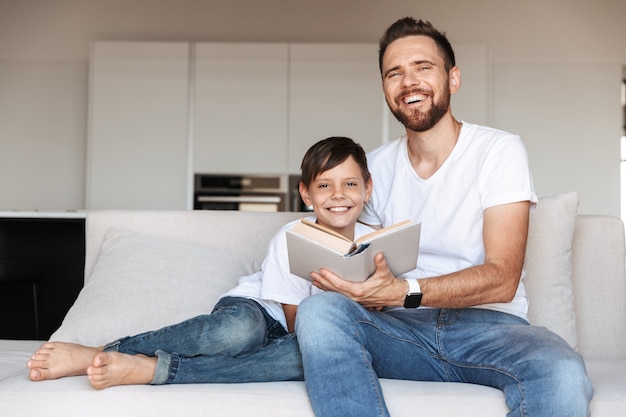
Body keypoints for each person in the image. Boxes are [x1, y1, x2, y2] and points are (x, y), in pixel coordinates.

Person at [293, 17, 594, 417]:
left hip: (490, 331)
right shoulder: (372, 170)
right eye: (394, 73)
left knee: (563, 371)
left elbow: (502, 277)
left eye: (423, 67)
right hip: (401, 333)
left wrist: (402, 291)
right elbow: (352, 250)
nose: (408, 82)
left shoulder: (498, 151)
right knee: (319, 313)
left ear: (453, 79)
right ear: (384, 88)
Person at [27, 136, 373, 389]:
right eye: (325, 185)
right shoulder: (292, 237)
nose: (338, 195)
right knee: (239, 333)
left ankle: (153, 369)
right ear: (306, 195)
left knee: (313, 358)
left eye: (350, 184)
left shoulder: (377, 243)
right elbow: (298, 321)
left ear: (367, 190)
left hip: (306, 337)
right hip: (262, 312)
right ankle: (101, 351)